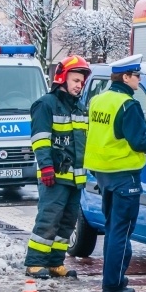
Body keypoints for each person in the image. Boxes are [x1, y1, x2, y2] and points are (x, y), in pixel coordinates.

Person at [84, 54, 146, 292]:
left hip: (103, 173)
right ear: (126, 77)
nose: (138, 80)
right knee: (121, 231)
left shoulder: (99, 100)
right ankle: (114, 283)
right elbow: (139, 141)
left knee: (112, 228)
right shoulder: (128, 104)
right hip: (124, 173)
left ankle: (112, 279)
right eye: (136, 75)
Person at [26, 55, 91, 279]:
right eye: (75, 80)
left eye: (81, 82)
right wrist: (46, 167)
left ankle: (55, 262)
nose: (79, 85)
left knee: (67, 222)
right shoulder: (46, 105)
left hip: (75, 178)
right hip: (54, 176)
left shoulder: (80, 108)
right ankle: (35, 262)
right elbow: (40, 140)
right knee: (49, 218)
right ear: (62, 79)